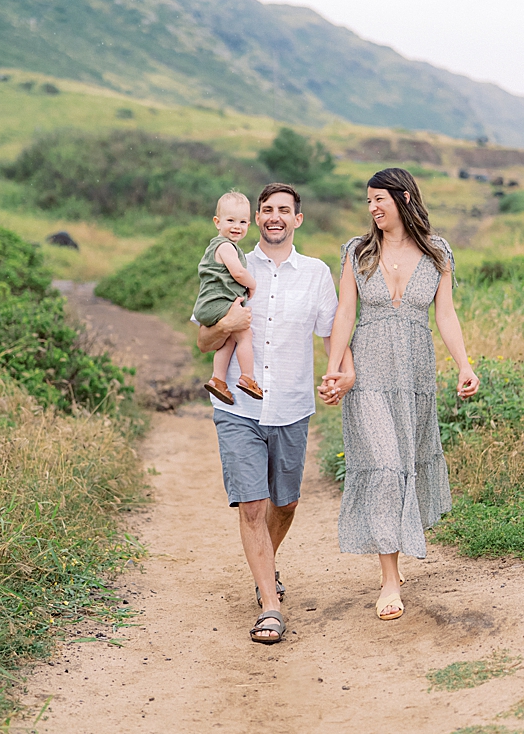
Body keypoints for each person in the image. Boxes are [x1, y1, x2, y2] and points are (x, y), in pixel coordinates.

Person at [319, 167, 479, 620]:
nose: (372, 208)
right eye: (368, 201)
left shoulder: (437, 253)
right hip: (367, 373)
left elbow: (445, 315)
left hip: (414, 374)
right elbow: (345, 312)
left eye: (379, 199)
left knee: (404, 464)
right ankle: (389, 580)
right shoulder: (357, 252)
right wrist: (334, 370)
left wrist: (464, 365)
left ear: (404, 198)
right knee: (386, 467)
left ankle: (394, 545)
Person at [196, 182, 338, 646]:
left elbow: (331, 335)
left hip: (293, 406)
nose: (274, 217)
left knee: (286, 503)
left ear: (297, 219)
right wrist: (227, 325)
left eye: (284, 210)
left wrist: (342, 374)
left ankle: (265, 567)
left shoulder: (316, 273)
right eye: (266, 210)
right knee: (252, 505)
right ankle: (269, 605)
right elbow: (203, 340)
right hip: (237, 406)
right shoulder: (231, 260)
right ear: (256, 218)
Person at [196, 191, 263, 405]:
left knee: (227, 342)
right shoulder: (225, 246)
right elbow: (238, 273)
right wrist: (252, 284)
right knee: (245, 335)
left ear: (249, 224)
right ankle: (247, 378)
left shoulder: (223, 246)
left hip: (210, 305)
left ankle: (218, 380)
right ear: (217, 222)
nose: (237, 226)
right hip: (218, 304)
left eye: (242, 221)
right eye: (230, 220)